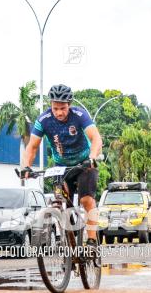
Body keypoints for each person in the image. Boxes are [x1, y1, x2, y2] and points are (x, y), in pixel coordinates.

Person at [19, 84, 104, 246]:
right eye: (55, 108)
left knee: (86, 200)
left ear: (69, 105)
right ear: (50, 105)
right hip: (62, 167)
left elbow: (96, 139)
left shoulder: (79, 115)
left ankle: (92, 241)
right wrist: (26, 167)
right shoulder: (43, 120)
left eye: (63, 108)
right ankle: (69, 240)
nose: (59, 112)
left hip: (84, 165)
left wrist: (92, 157)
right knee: (62, 201)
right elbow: (32, 147)